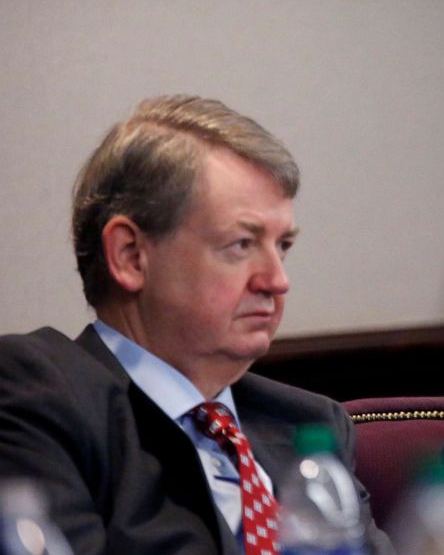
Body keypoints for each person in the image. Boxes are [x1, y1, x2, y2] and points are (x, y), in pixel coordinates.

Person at [0, 95, 391, 555]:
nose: (277, 280)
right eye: (241, 244)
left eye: (282, 245)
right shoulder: (43, 394)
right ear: (130, 256)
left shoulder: (308, 425)